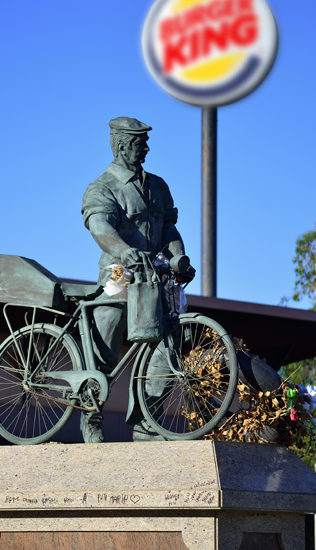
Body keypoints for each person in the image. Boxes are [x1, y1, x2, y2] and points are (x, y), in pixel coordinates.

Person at [81, 117, 193, 443]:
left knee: (166, 343)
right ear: (120, 146)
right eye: (139, 143)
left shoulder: (159, 187)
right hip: (120, 270)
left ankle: (147, 421)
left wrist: (178, 258)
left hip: (155, 274)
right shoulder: (103, 187)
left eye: (145, 143)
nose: (146, 148)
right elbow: (100, 227)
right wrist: (124, 251)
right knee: (108, 330)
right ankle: (91, 415)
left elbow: (169, 230)